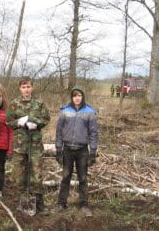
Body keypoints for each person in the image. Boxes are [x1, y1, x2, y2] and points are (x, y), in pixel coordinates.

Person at [6, 77, 50, 215]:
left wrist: (36, 123)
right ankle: (23, 202)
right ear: (20, 88)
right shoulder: (14, 104)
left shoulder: (39, 103)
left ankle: (39, 203)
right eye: (24, 87)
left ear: (32, 88)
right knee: (19, 175)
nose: (26, 89)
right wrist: (19, 122)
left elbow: (46, 119)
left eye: (28, 87)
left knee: (36, 175)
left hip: (35, 145)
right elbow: (8, 122)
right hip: (20, 146)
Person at [55, 85, 98, 217]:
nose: (77, 98)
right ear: (72, 97)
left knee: (83, 178)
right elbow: (59, 131)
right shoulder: (65, 111)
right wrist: (58, 149)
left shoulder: (90, 112)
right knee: (66, 176)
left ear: (83, 96)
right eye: (74, 95)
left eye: (79, 95)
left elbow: (93, 133)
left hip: (82, 151)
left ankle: (84, 204)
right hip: (67, 149)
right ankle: (61, 203)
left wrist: (93, 152)